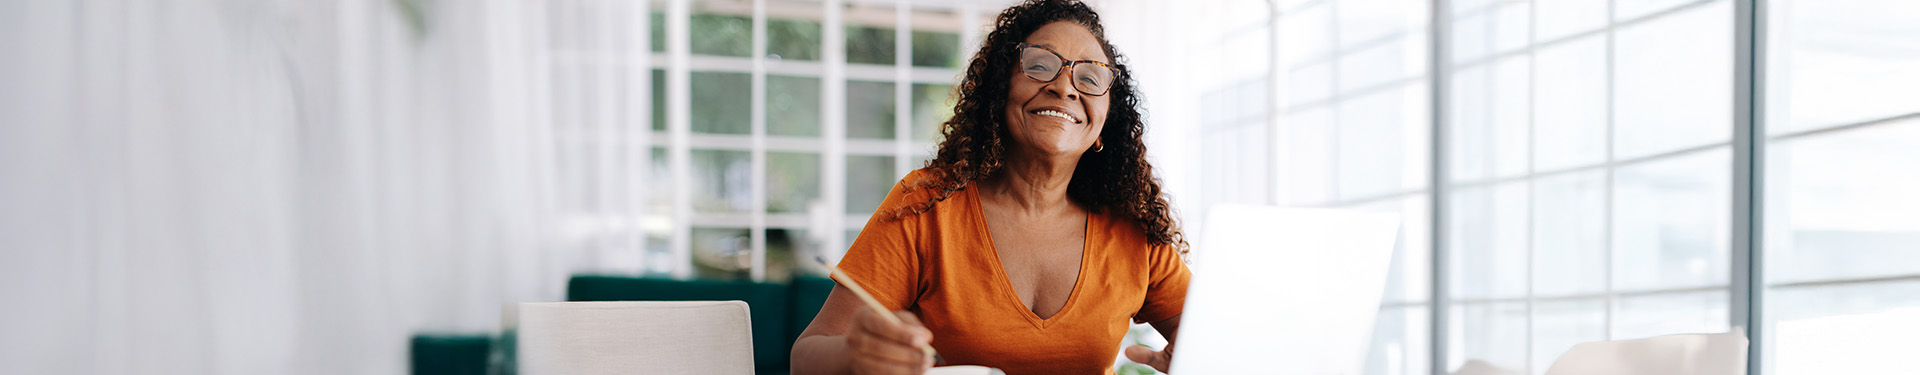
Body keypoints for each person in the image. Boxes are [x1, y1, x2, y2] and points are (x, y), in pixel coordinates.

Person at [791, 0, 1188, 374]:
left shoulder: (1136, 230)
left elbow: (1228, 345)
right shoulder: (927, 204)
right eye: (1039, 66)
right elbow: (807, 355)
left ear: (1105, 121)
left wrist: (1199, 361)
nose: (1065, 88)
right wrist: (855, 354)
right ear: (1000, 90)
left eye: (1089, 78)